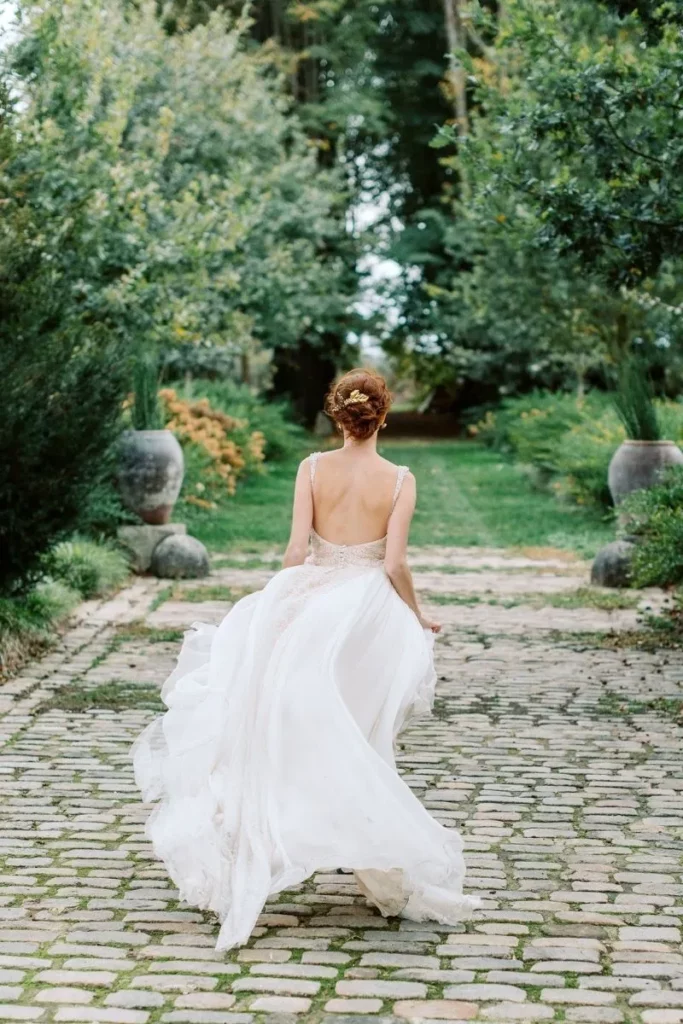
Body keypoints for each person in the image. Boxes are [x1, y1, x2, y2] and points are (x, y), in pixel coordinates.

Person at [133, 367, 479, 951]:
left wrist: (280, 608)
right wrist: (417, 615)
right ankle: (375, 858)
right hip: (366, 618)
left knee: (291, 730)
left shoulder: (311, 469)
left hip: (314, 607)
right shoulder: (399, 480)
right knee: (360, 739)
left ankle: (290, 844)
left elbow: (297, 550)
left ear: (336, 415)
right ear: (383, 416)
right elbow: (393, 566)